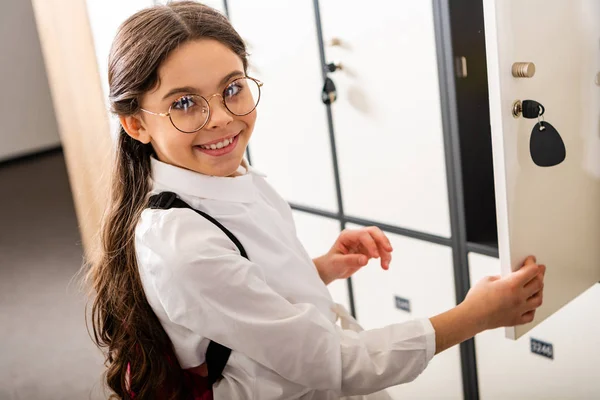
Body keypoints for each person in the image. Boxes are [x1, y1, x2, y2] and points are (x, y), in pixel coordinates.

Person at [86, 2, 546, 399]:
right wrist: (475, 315)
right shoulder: (181, 244)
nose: (222, 119)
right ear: (136, 125)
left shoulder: (220, 177)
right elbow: (333, 363)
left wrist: (319, 268)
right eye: (184, 103)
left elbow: (241, 294)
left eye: (232, 89)